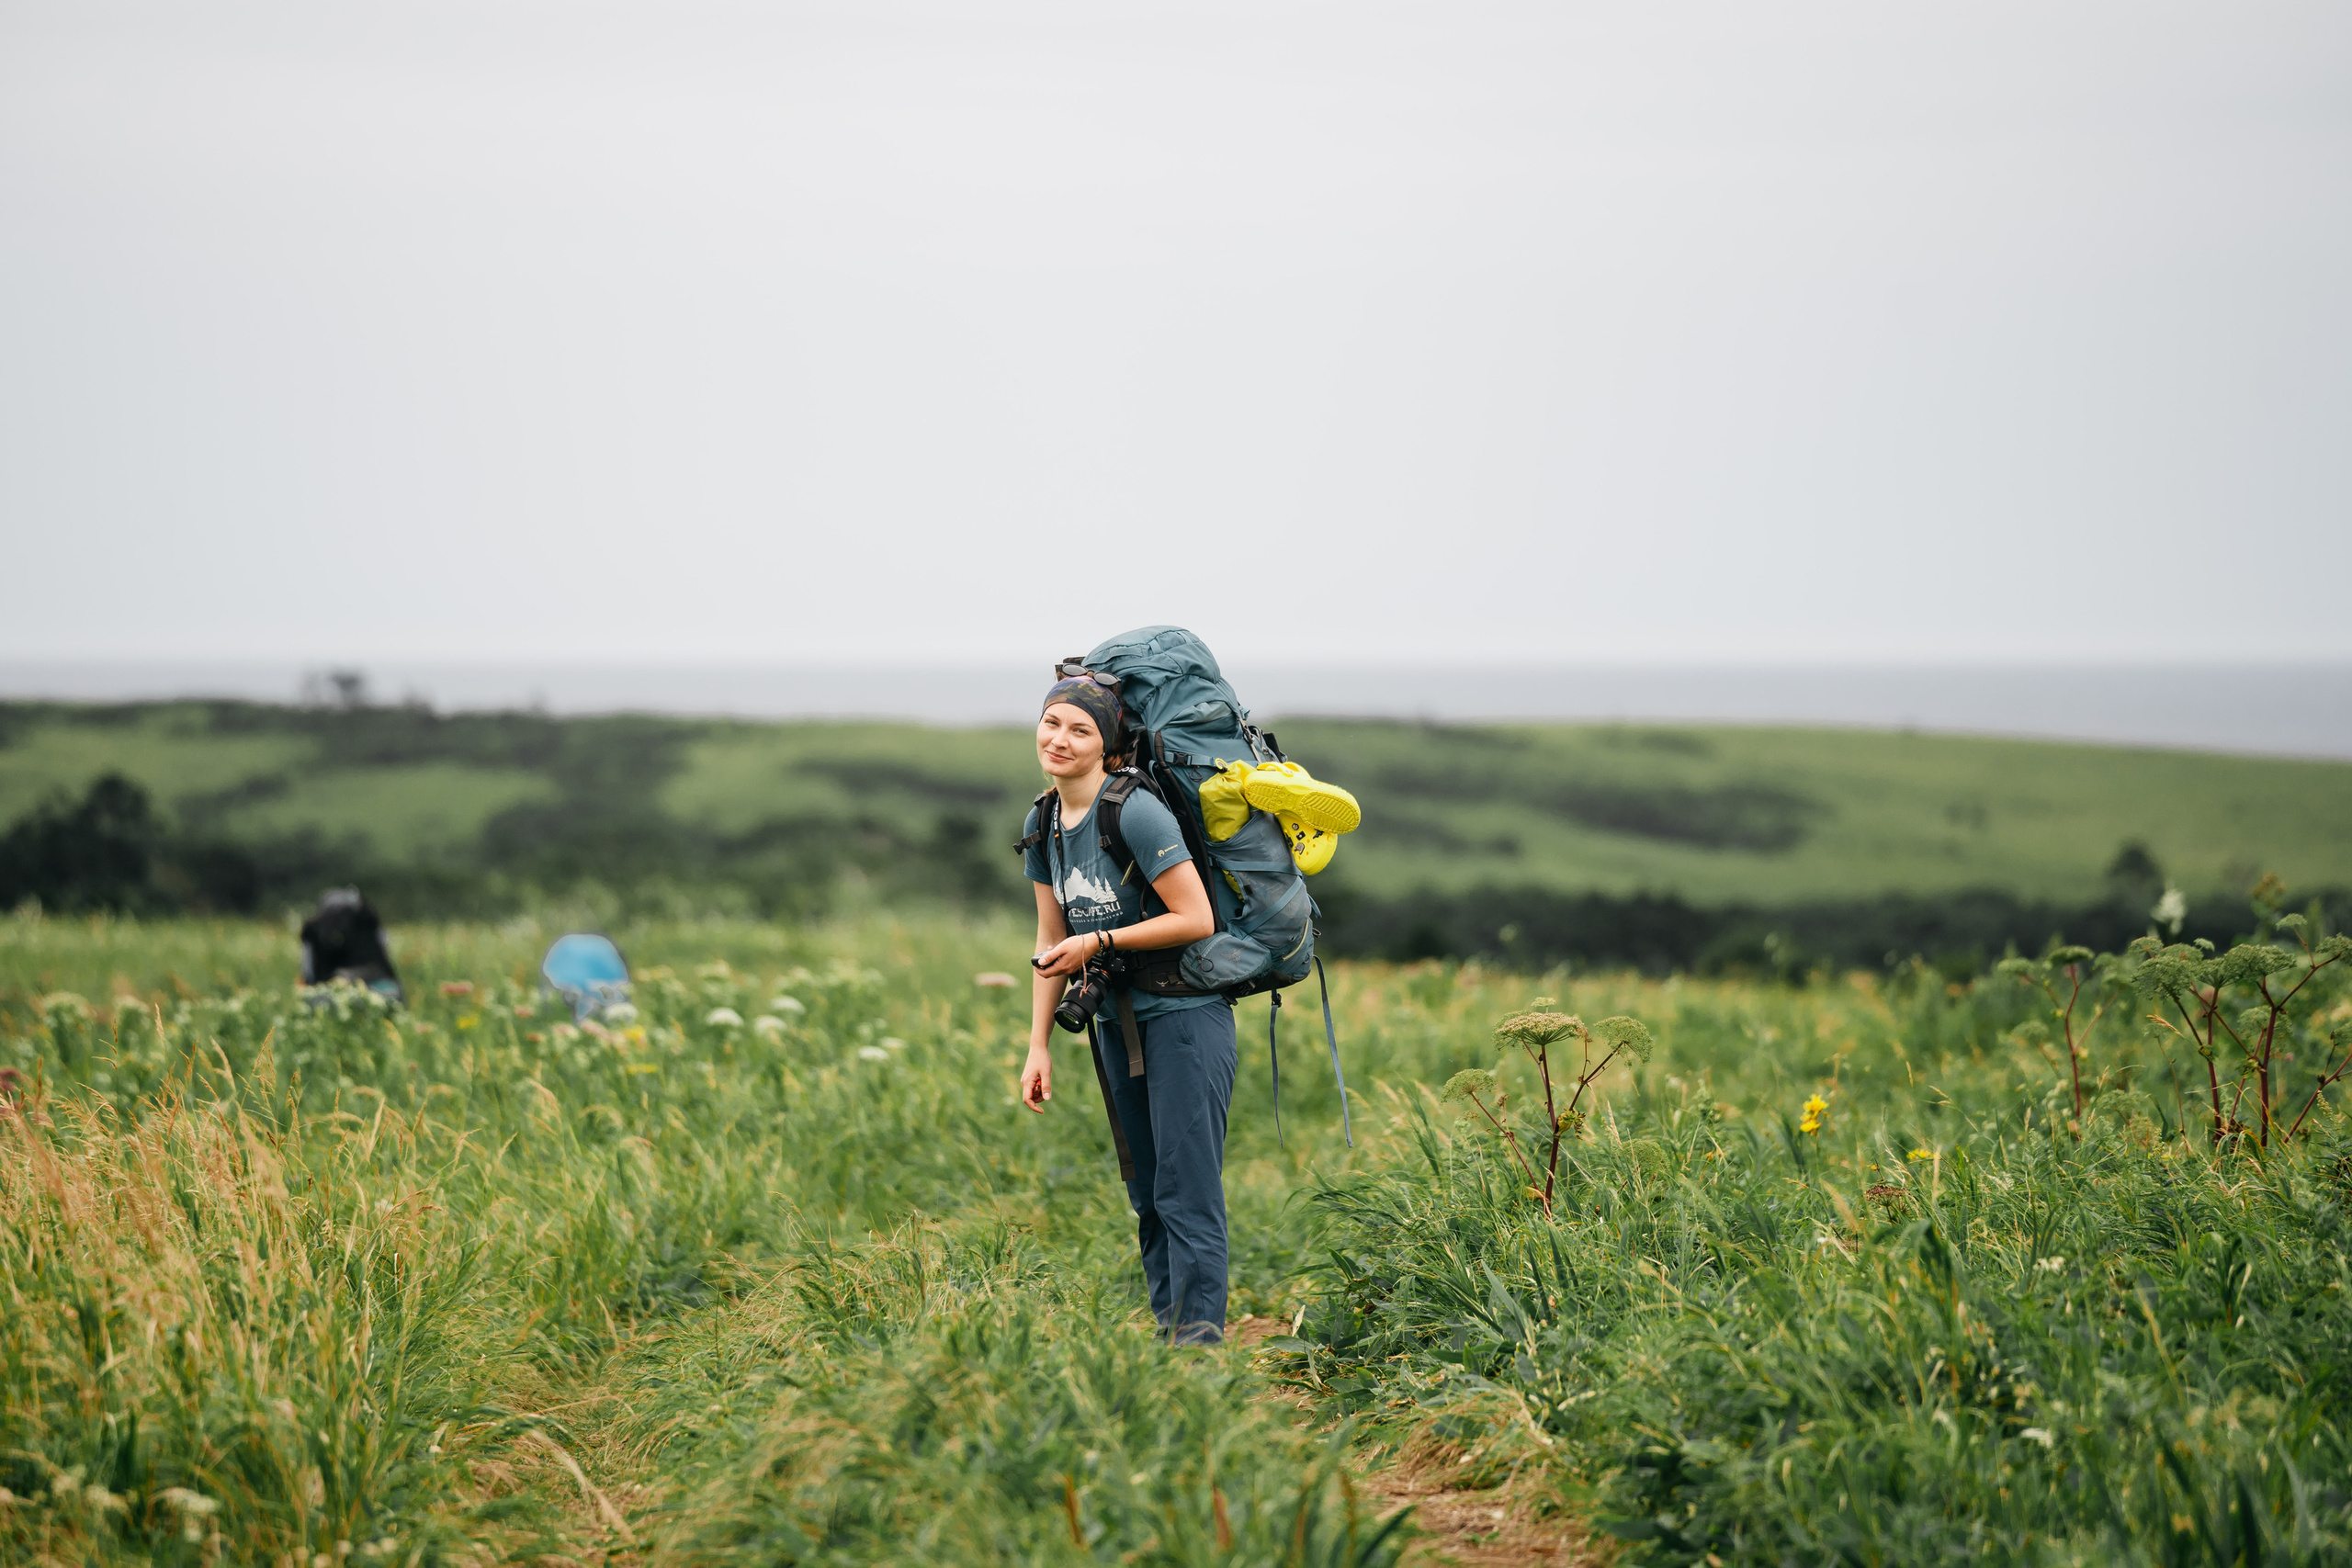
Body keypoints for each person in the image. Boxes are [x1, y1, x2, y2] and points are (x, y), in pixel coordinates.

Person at [1020, 671, 1234, 1345]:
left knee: (1185, 1188)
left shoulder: (1134, 811)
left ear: (1110, 747)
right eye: (1052, 722)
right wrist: (1037, 1045)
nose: (1060, 738)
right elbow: (1050, 941)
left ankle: (1196, 1352)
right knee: (1145, 1193)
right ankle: (1172, 1336)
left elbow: (1195, 916)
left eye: (1080, 729)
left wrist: (1103, 939)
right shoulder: (1043, 819)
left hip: (1183, 1017)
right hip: (1113, 1023)